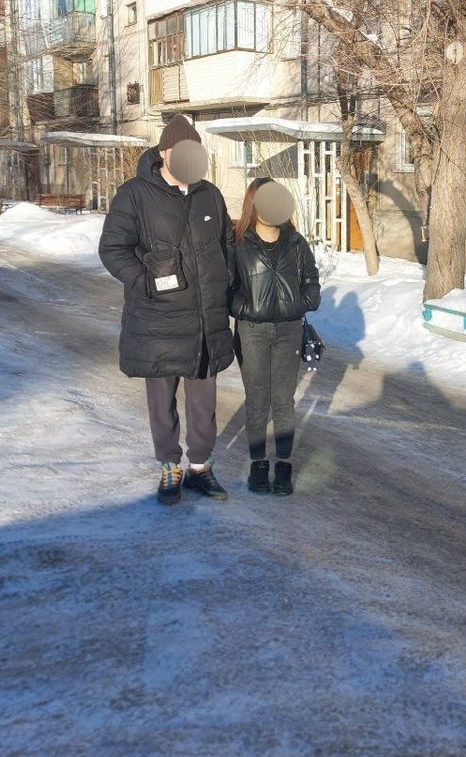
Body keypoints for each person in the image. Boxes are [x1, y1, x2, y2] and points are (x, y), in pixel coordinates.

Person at [98, 115, 236, 505]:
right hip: (157, 320)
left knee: (203, 404)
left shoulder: (210, 194)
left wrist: (228, 284)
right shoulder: (134, 194)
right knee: (162, 402)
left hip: (206, 321)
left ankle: (200, 468)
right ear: (163, 153)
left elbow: (226, 243)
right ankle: (169, 467)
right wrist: (143, 282)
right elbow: (113, 249)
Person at [230, 178, 321, 496]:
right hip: (251, 331)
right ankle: (258, 465)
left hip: (288, 330)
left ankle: (283, 465)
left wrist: (302, 303)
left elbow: (312, 280)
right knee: (257, 402)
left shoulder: (296, 243)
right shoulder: (238, 242)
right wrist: (243, 307)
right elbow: (226, 285)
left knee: (283, 402)